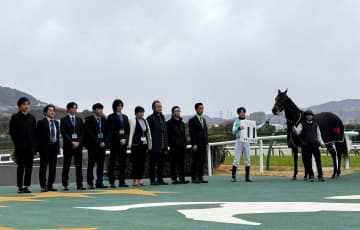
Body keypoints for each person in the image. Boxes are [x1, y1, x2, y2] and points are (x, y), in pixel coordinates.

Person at [231, 107, 269, 182]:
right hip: (239, 141)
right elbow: (233, 131)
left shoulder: (248, 122)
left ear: (245, 113)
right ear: (238, 113)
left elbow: (256, 128)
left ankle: (247, 177)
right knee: (236, 160)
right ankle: (233, 177)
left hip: (246, 141)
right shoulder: (236, 122)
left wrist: (265, 123)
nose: (242, 113)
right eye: (240, 112)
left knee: (248, 159)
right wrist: (238, 128)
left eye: (243, 112)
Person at [9, 97, 37, 193]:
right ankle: (20, 186)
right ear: (20, 106)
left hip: (30, 148)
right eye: (24, 104)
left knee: (29, 167)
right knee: (21, 166)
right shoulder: (15, 118)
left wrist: (34, 146)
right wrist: (18, 144)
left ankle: (26, 186)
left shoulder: (32, 118)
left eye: (27, 104)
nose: (26, 106)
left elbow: (34, 133)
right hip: (20, 147)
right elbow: (12, 133)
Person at [293, 110, 326, 182]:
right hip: (306, 145)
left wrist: (322, 143)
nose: (309, 116)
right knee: (308, 161)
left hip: (315, 145)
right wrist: (292, 126)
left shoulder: (316, 124)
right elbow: (297, 132)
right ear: (305, 116)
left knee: (318, 161)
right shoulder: (301, 124)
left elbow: (319, 135)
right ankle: (311, 175)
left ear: (312, 116)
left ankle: (320, 175)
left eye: (310, 115)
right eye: (307, 115)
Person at [60, 102, 85, 190]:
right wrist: (72, 142)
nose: (74, 110)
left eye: (76, 108)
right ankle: (65, 184)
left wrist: (78, 142)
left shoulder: (79, 120)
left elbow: (82, 133)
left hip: (78, 146)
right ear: (68, 109)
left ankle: (80, 184)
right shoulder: (64, 119)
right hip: (68, 146)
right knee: (66, 165)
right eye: (73, 108)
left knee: (79, 165)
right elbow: (64, 133)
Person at [84, 103, 108, 189]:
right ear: (94, 110)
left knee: (100, 165)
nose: (100, 110)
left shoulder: (105, 120)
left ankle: (99, 182)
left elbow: (108, 133)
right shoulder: (88, 120)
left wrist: (105, 142)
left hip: (102, 146)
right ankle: (90, 183)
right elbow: (89, 133)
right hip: (93, 146)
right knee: (91, 164)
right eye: (98, 109)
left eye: (101, 109)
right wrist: (98, 142)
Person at [107, 99, 130, 188]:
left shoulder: (125, 117)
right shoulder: (111, 117)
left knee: (123, 163)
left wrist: (125, 139)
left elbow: (127, 129)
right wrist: (119, 139)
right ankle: (112, 182)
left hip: (123, 144)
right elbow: (112, 130)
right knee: (112, 162)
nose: (120, 107)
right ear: (114, 107)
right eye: (118, 105)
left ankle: (122, 182)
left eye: (121, 105)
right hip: (115, 143)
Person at [37, 104, 60, 192]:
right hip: (45, 148)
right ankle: (43, 185)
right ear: (45, 112)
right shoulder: (41, 122)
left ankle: (50, 184)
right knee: (43, 167)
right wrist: (38, 149)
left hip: (54, 148)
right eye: (50, 110)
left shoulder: (56, 123)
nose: (52, 112)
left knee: (53, 167)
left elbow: (57, 136)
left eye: (53, 110)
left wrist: (57, 148)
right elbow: (38, 137)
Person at [128, 106, 152, 187]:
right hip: (136, 146)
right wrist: (129, 144)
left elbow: (147, 133)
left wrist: (149, 145)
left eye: (143, 112)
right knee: (136, 163)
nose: (142, 114)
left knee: (142, 163)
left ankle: (140, 179)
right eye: (140, 112)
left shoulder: (145, 121)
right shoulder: (133, 121)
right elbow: (130, 132)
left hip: (144, 145)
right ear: (136, 113)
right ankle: (135, 180)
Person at [147, 100, 168, 185]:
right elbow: (148, 133)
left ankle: (160, 179)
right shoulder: (150, 118)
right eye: (158, 107)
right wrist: (150, 146)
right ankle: (152, 180)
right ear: (153, 108)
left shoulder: (163, 117)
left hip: (162, 146)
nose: (160, 108)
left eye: (160, 106)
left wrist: (166, 145)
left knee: (161, 164)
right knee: (152, 164)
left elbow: (165, 132)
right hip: (154, 146)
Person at [167, 106, 189, 184]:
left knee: (182, 163)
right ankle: (174, 179)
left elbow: (183, 135)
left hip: (182, 146)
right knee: (173, 163)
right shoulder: (169, 123)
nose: (178, 112)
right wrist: (170, 144)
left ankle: (182, 178)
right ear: (173, 112)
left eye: (179, 111)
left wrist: (185, 143)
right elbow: (168, 135)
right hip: (174, 147)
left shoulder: (182, 123)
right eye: (176, 111)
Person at [188, 103, 208, 184]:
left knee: (202, 161)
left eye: (202, 108)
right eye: (200, 108)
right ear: (196, 109)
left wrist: (206, 142)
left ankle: (200, 177)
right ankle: (194, 178)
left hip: (203, 144)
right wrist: (194, 144)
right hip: (196, 144)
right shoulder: (192, 120)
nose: (201, 110)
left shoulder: (203, 119)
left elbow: (205, 132)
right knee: (195, 161)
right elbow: (192, 133)